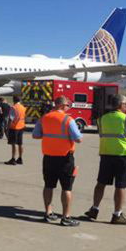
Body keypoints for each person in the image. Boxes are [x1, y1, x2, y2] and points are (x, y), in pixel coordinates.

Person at [84, 94, 126, 225]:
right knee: (121, 186)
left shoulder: (102, 119)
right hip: (123, 156)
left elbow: (101, 134)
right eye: (125, 104)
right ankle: (117, 214)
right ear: (121, 105)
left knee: (101, 183)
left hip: (106, 154)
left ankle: (94, 209)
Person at [33, 96, 83, 226]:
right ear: (62, 106)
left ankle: (48, 213)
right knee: (67, 188)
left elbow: (36, 135)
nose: (68, 108)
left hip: (49, 157)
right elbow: (78, 138)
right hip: (65, 158)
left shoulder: (44, 118)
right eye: (67, 106)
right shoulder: (68, 120)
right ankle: (66, 217)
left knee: (48, 185)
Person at [5, 95, 26, 165]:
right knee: (20, 143)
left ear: (14, 100)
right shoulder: (23, 108)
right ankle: (20, 158)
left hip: (14, 128)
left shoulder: (14, 108)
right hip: (21, 127)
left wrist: (7, 127)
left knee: (14, 144)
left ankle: (13, 158)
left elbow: (11, 118)